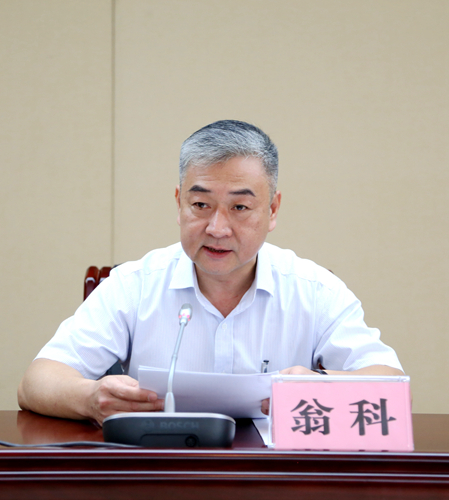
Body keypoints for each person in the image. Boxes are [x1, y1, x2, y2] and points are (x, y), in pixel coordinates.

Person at [18, 120, 404, 425]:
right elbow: (36, 382)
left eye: (240, 208)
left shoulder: (314, 290)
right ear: (179, 202)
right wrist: (89, 398)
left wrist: (320, 385)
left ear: (272, 210)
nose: (217, 228)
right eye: (201, 204)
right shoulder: (134, 285)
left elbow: (392, 383)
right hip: (159, 474)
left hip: (274, 478)